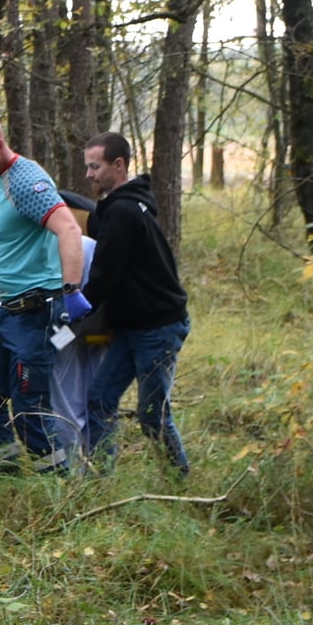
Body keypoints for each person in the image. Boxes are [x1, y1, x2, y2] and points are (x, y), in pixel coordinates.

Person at [0, 113, 87, 472]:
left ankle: (59, 485)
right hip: (5, 315)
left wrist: (71, 290)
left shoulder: (25, 180)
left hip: (37, 314)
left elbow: (69, 230)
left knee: (30, 409)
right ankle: (7, 476)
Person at [79, 132, 192, 474]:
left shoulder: (126, 212)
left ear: (119, 165)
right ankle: (101, 477)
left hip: (159, 327)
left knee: (152, 415)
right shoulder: (116, 207)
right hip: (130, 326)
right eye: (87, 167)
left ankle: (180, 479)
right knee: (99, 399)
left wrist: (73, 310)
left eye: (95, 166)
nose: (89, 175)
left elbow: (104, 274)